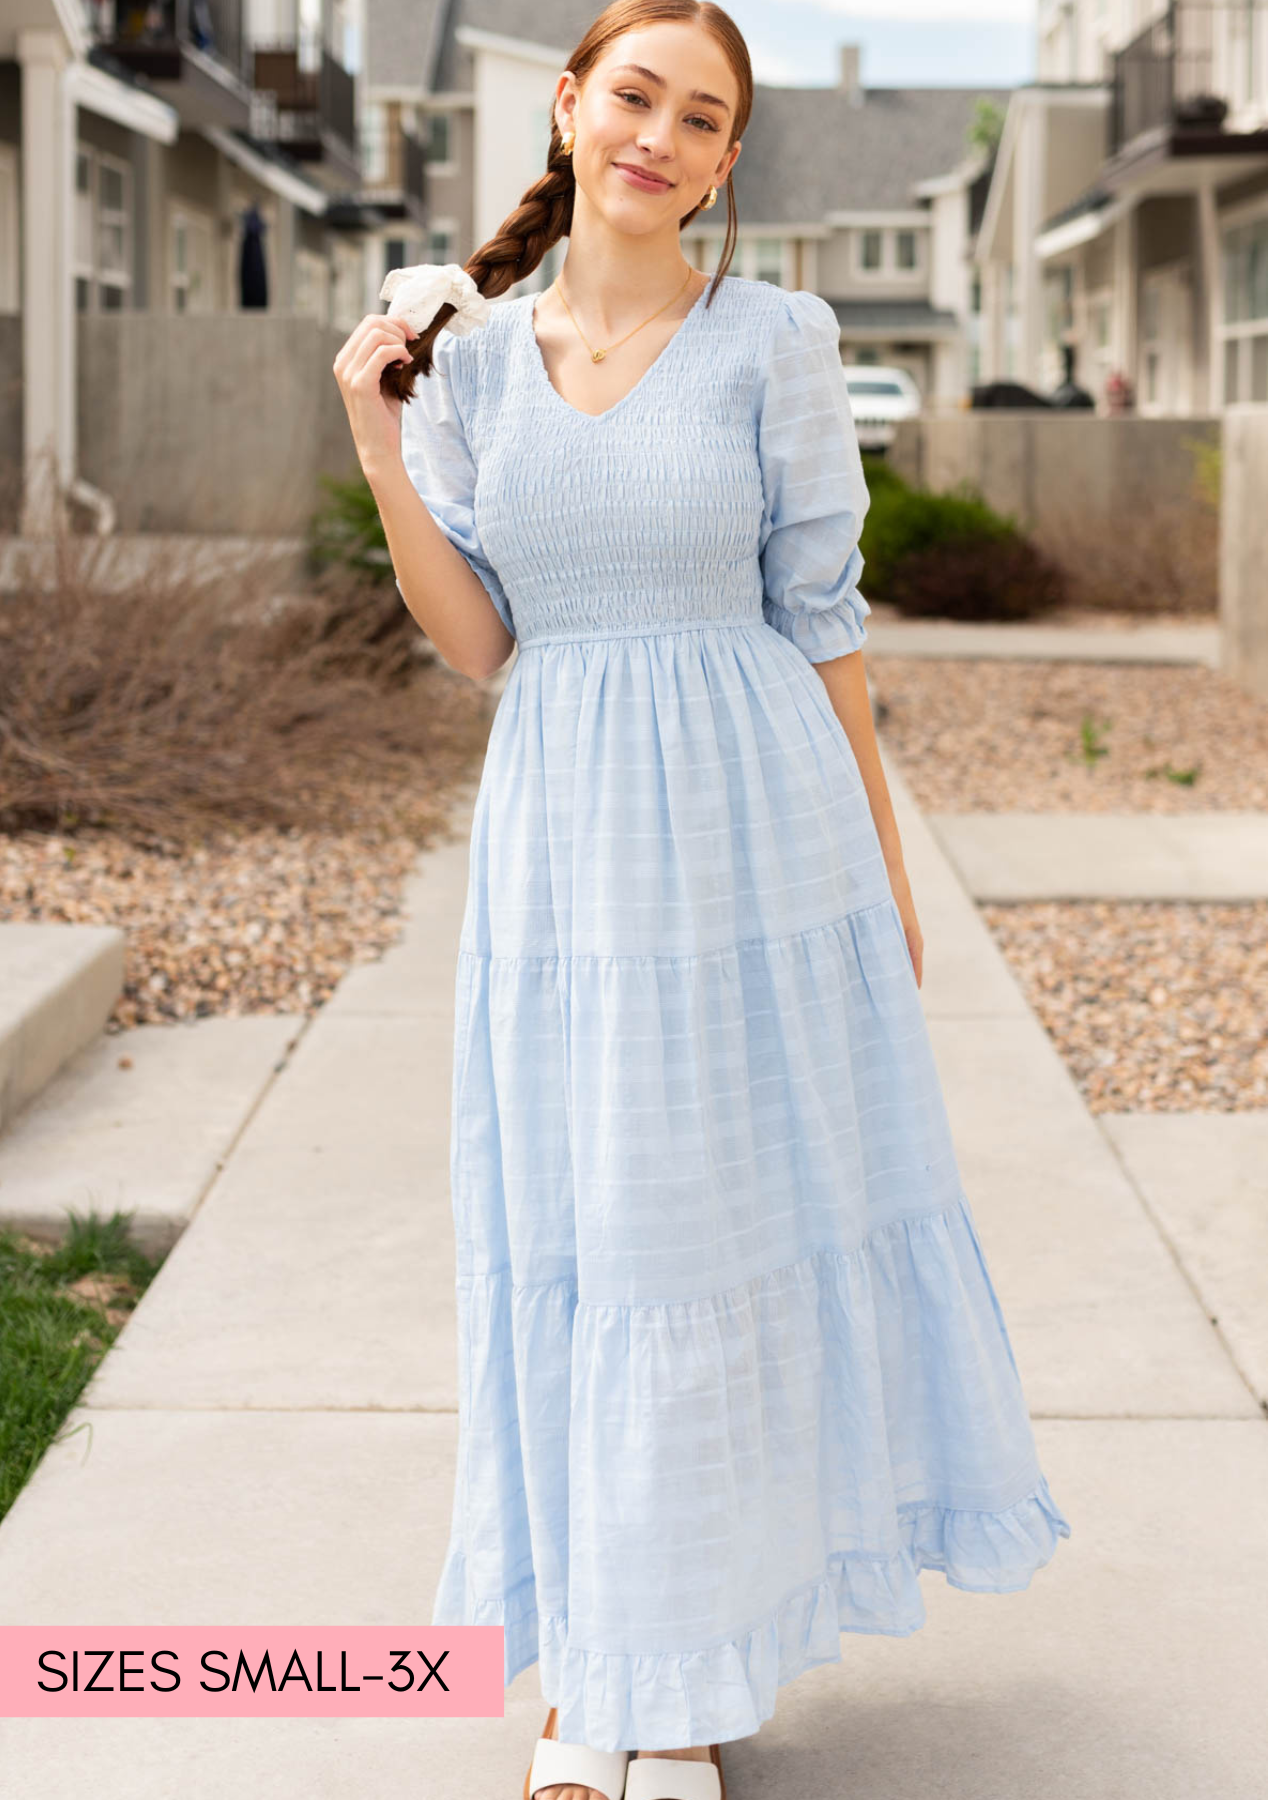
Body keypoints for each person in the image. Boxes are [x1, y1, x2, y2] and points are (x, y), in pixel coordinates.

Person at [331, 5, 1071, 1797]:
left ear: (729, 160)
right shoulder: (479, 369)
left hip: (759, 839)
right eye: (635, 95)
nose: (660, 135)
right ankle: (601, 1666)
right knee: (585, 1247)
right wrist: (372, 437)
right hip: (566, 842)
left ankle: (679, 1687)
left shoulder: (776, 341)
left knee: (714, 1251)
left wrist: (884, 885)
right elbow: (486, 643)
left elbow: (822, 622)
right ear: (572, 106)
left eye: (703, 117)